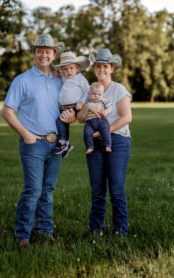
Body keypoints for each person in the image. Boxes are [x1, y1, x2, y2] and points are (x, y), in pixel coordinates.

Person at [2, 34, 74, 246]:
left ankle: (44, 230)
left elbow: (69, 108)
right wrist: (25, 134)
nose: (43, 54)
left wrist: (72, 117)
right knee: (33, 190)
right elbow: (7, 111)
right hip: (33, 143)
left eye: (48, 51)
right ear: (34, 54)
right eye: (39, 50)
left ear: (54, 55)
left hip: (56, 143)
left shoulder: (60, 81)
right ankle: (22, 234)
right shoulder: (22, 80)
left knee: (47, 190)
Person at [77, 48, 132, 237]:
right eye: (98, 66)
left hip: (117, 141)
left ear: (112, 69)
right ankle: (96, 229)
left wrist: (104, 132)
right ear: (95, 69)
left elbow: (126, 117)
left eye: (105, 66)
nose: (101, 69)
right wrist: (87, 106)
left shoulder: (119, 89)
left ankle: (121, 230)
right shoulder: (90, 90)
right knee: (98, 189)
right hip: (95, 143)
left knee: (116, 189)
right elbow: (80, 119)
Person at [52, 51, 90, 157]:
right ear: (62, 70)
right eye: (65, 69)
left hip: (73, 106)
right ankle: (67, 144)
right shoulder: (64, 77)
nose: (69, 71)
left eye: (71, 68)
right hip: (63, 107)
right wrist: (57, 75)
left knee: (59, 120)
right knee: (64, 125)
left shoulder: (80, 79)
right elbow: (59, 80)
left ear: (77, 68)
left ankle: (62, 142)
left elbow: (87, 91)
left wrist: (82, 101)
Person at [84, 81, 112, 154]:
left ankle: (108, 145)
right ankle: (89, 147)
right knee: (87, 132)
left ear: (103, 94)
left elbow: (110, 107)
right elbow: (83, 108)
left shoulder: (103, 100)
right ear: (89, 94)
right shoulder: (87, 101)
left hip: (101, 120)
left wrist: (106, 111)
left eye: (99, 94)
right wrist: (80, 105)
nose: (96, 96)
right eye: (94, 94)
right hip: (89, 122)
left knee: (105, 131)